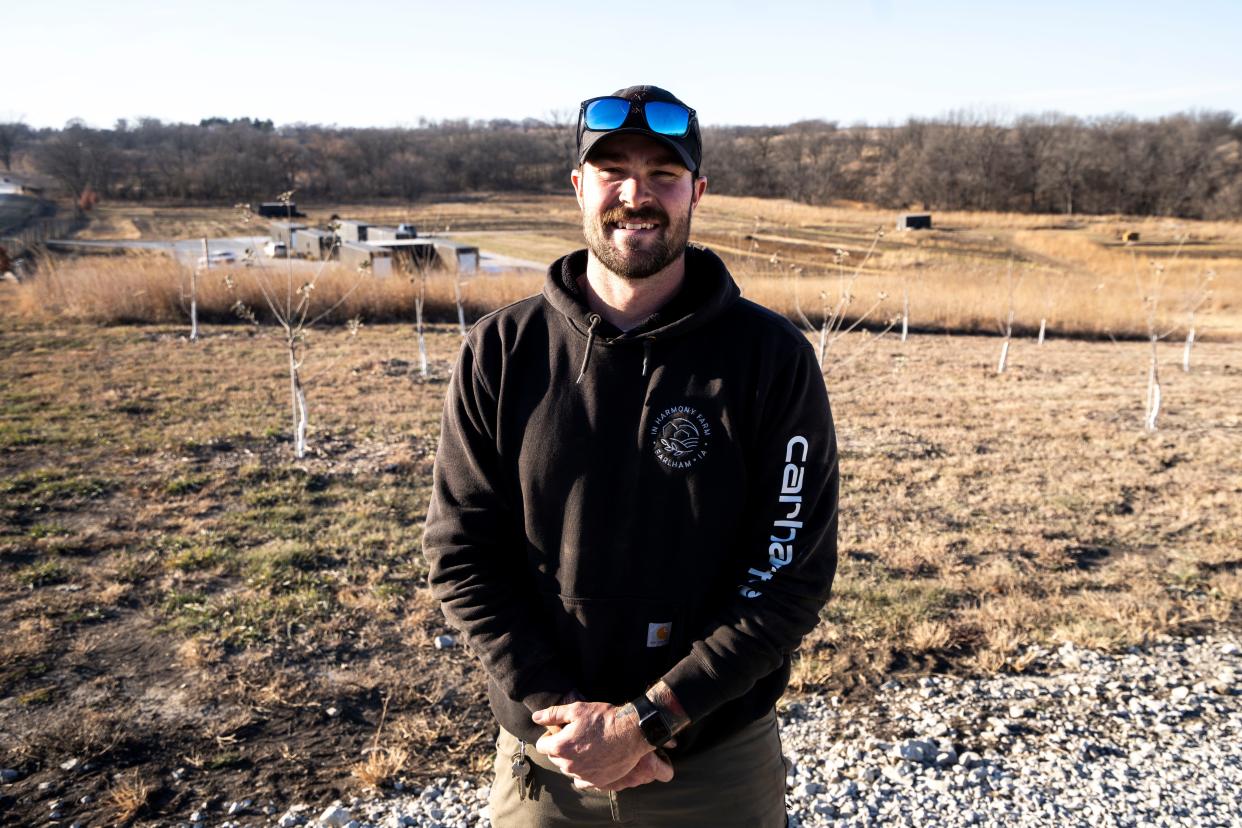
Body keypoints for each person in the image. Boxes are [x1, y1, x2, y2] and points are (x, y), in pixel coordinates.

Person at [423, 84, 839, 827]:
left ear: (697, 193)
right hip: (547, 761)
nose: (635, 194)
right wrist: (568, 720)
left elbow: (789, 578)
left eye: (664, 175)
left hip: (713, 762)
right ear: (579, 187)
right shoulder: (500, 352)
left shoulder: (771, 359)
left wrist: (645, 722)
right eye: (611, 170)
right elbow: (462, 556)